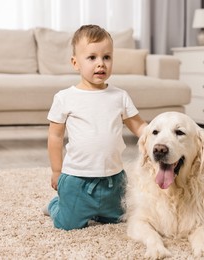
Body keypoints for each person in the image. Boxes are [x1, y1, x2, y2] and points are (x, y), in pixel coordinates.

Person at [44, 24, 147, 230]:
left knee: (119, 217)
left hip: (113, 179)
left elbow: (138, 126)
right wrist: (57, 170)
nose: (101, 64)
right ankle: (57, 206)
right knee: (67, 224)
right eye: (92, 58)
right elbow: (55, 137)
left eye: (106, 57)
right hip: (76, 179)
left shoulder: (120, 96)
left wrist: (158, 135)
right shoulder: (65, 98)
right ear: (76, 63)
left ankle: (100, 209)